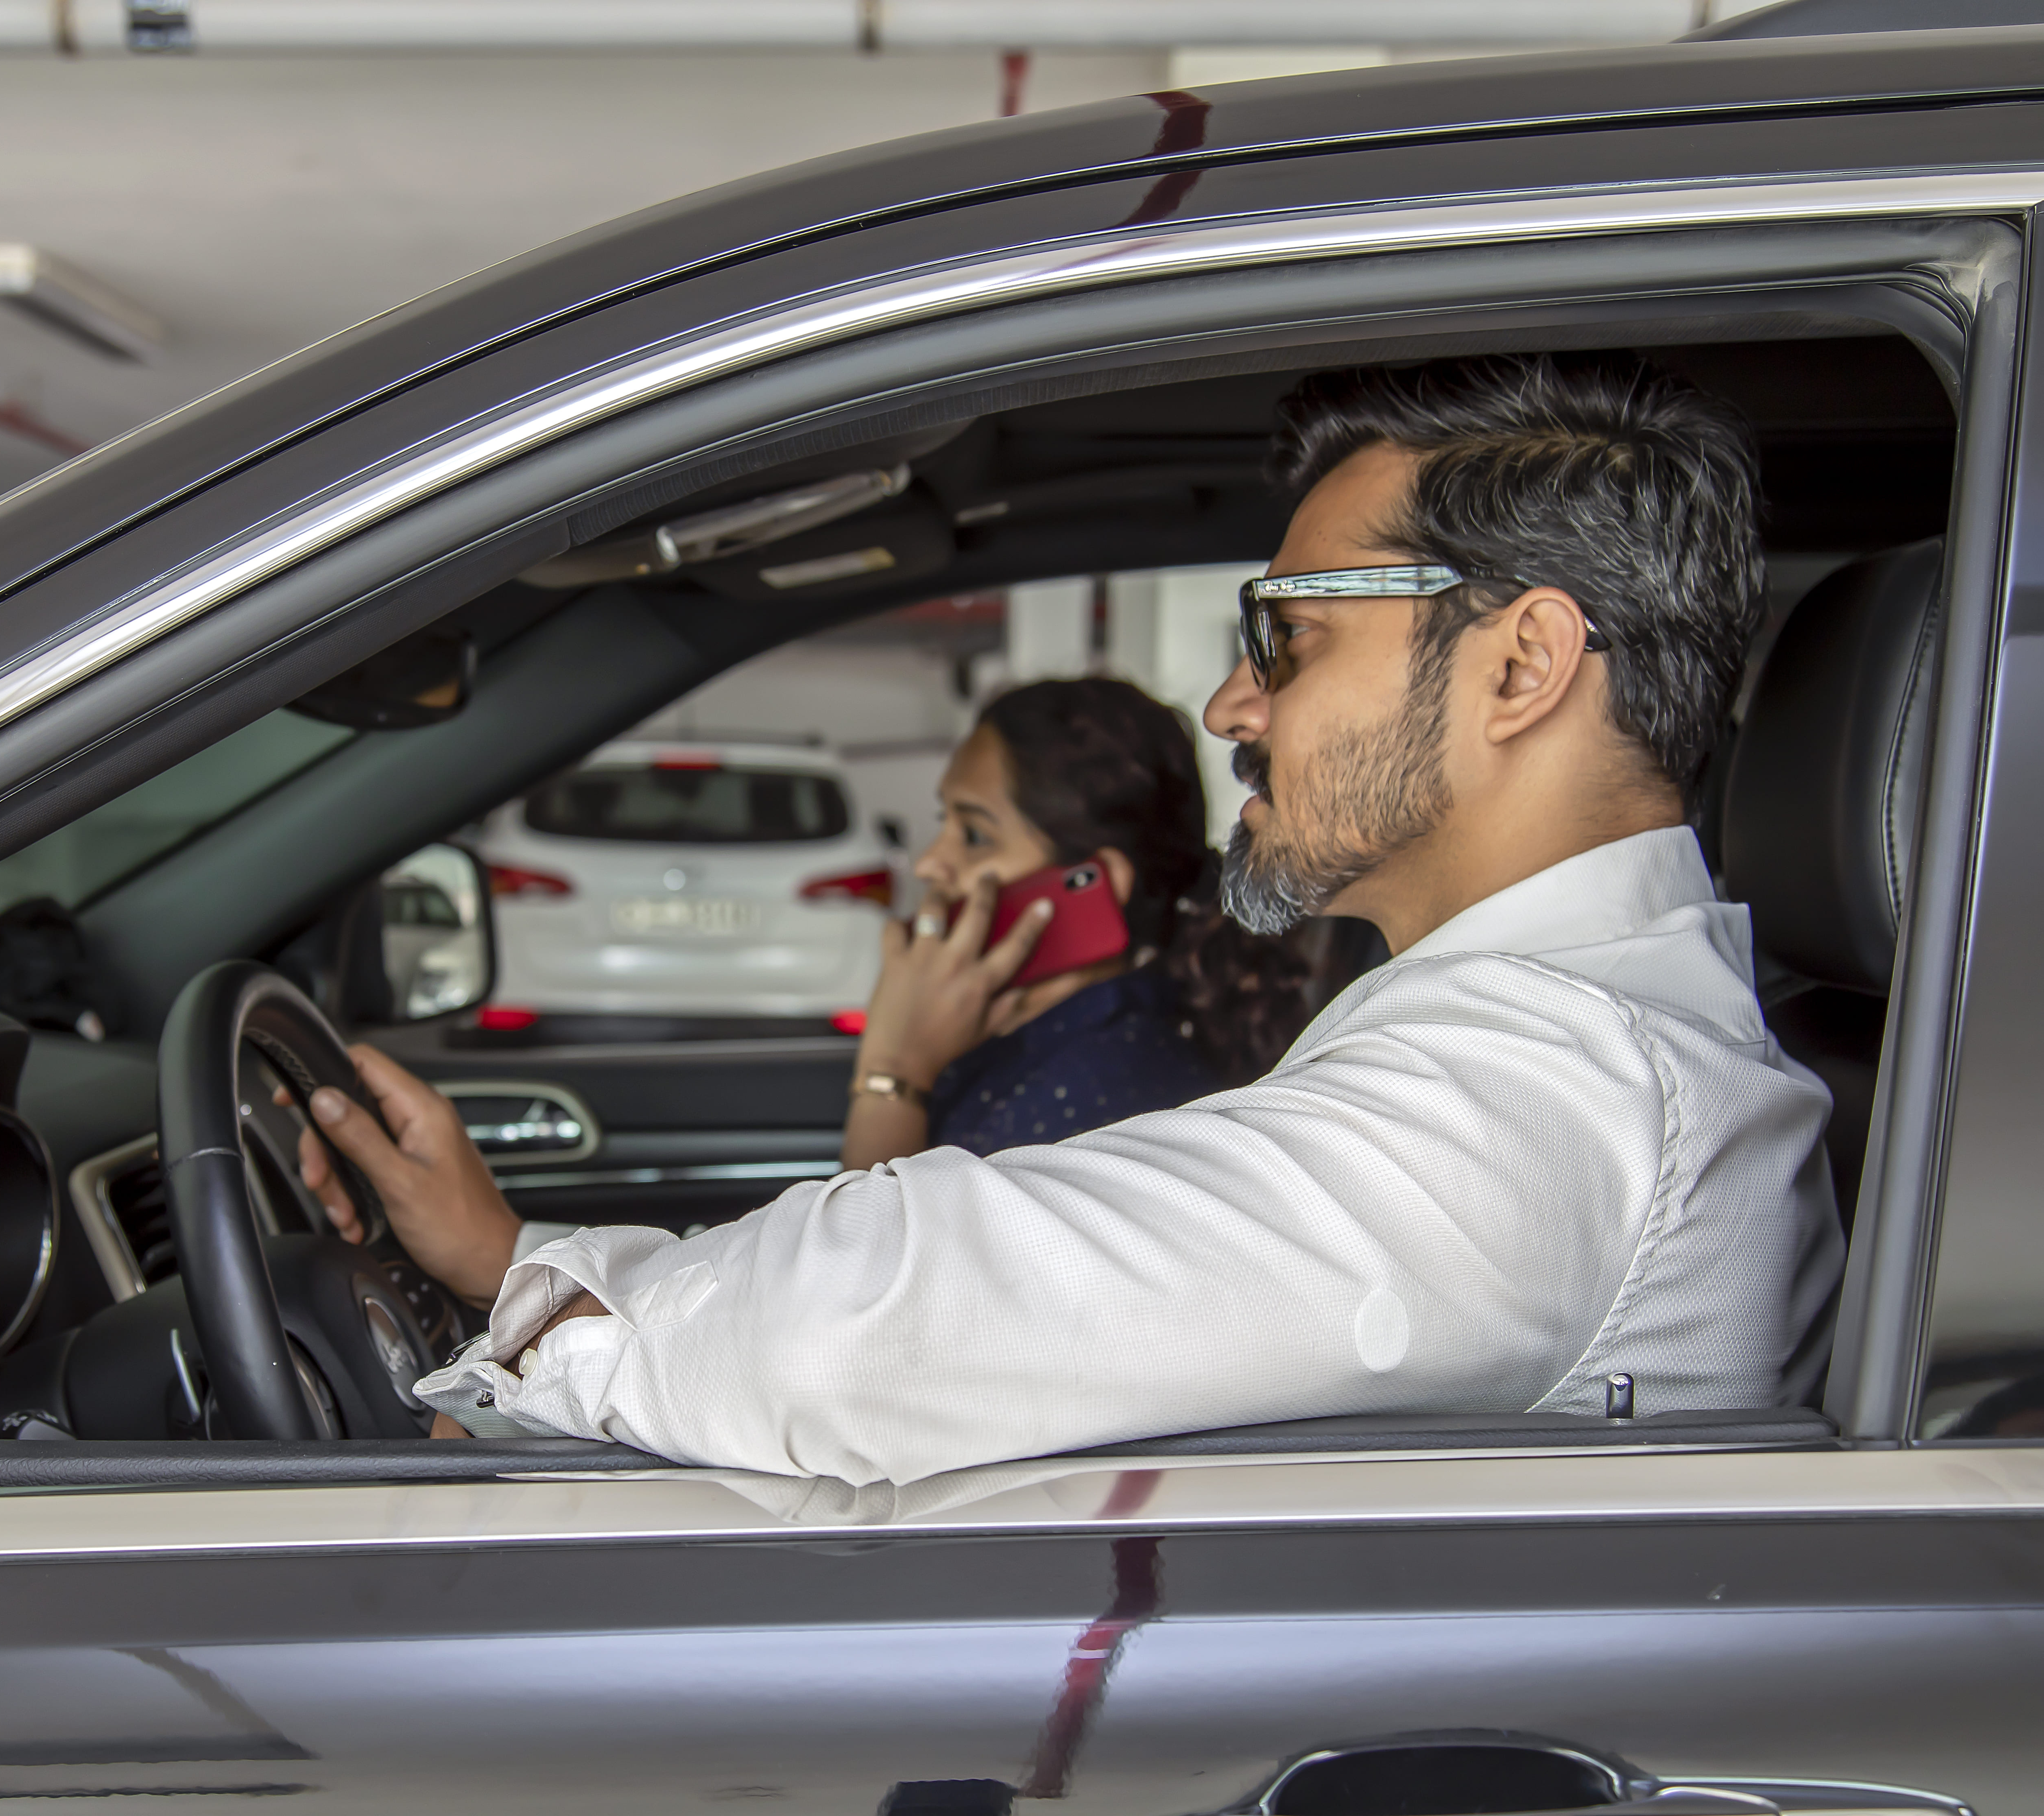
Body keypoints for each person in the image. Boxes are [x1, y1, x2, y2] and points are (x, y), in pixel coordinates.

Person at [298, 353, 1843, 1485]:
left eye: (1288, 643)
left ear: (1517, 667)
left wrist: (547, 1330)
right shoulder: (1575, 1041)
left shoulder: (1545, 1099)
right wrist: (520, 1254)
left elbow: (881, 1323)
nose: (1230, 703)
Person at [842, 676, 1312, 1173]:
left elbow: (865, 1249)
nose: (930, 864)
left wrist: (893, 1074)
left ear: (1095, 882)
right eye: (946, 824)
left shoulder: (1091, 1100)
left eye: (975, 833)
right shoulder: (1047, 1038)